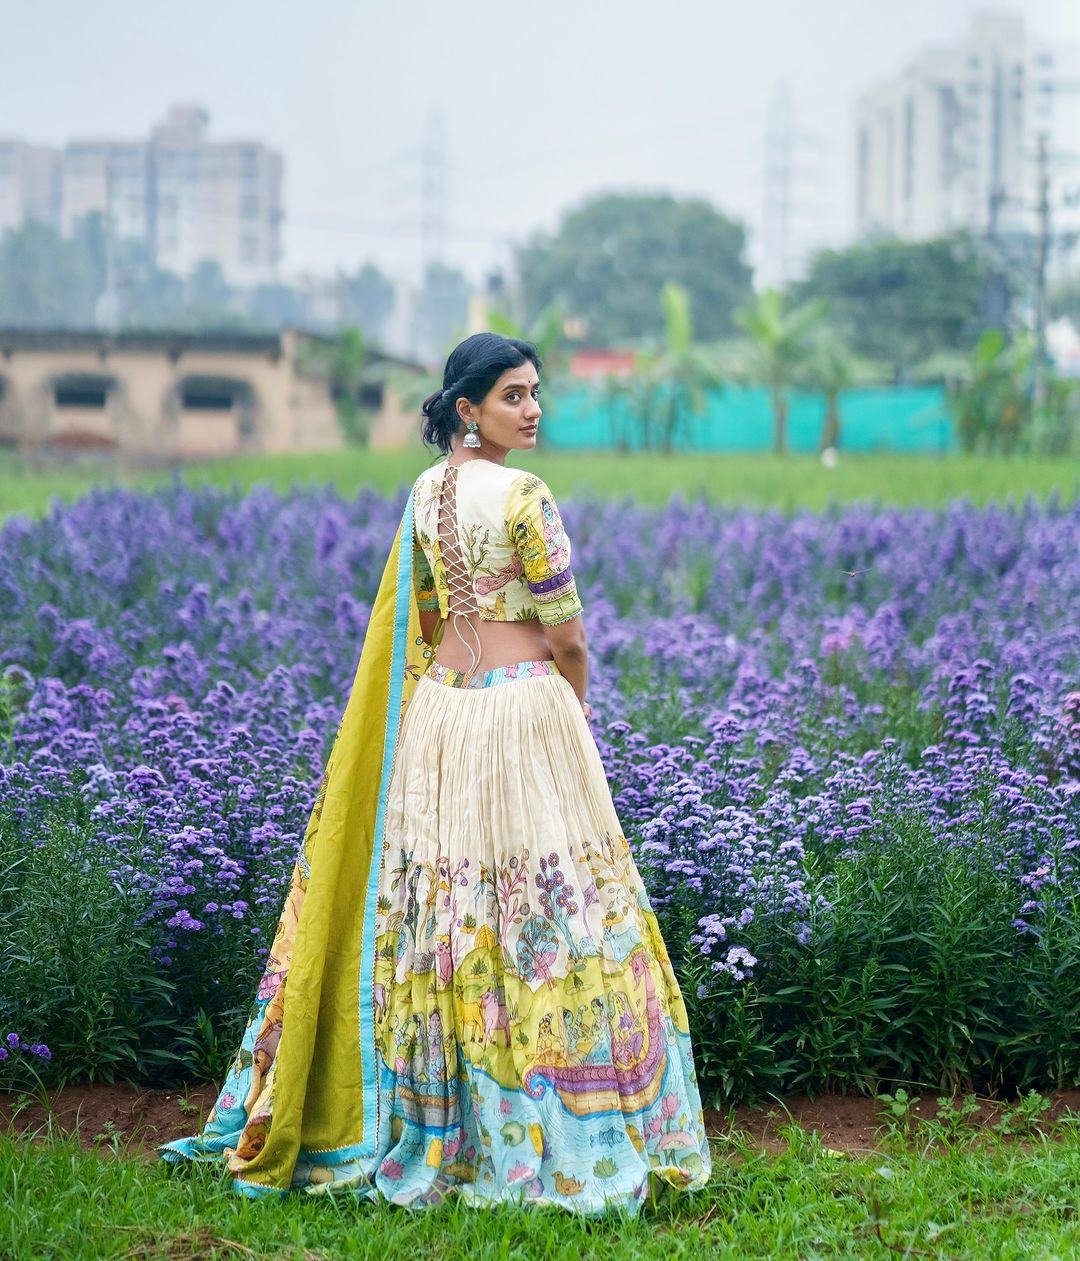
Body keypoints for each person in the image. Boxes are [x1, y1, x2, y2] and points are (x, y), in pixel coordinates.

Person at [158, 332, 712, 1214]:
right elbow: (566, 632)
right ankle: (558, 1132)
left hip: (443, 712)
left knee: (451, 909)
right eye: (514, 396)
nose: (533, 409)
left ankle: (439, 1121)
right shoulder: (527, 495)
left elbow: (426, 616)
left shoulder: (425, 492)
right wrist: (578, 702)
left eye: (536, 393)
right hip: (523, 709)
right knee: (549, 909)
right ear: (468, 408)